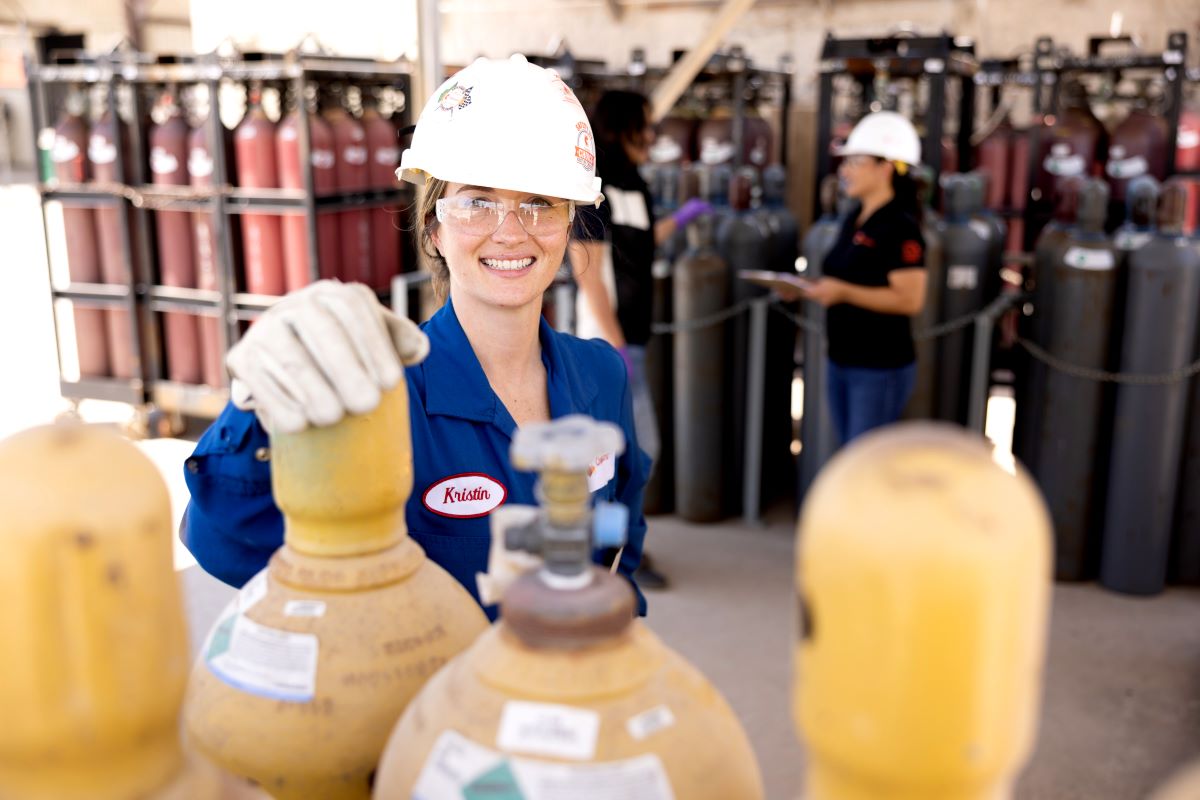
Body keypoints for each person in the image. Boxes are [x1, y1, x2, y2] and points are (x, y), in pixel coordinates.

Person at [181, 55, 649, 619]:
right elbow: (222, 541)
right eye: (478, 202)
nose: (510, 232)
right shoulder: (379, 396)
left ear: (569, 222)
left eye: (539, 203)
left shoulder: (601, 376)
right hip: (427, 703)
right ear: (434, 226)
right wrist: (254, 411)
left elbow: (620, 550)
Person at [569, 90, 708, 590]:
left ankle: (614, 547)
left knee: (627, 457)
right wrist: (615, 345)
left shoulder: (635, 184)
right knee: (626, 454)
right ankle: (608, 550)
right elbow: (589, 273)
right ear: (624, 126)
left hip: (632, 342)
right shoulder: (595, 187)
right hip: (607, 345)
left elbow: (643, 238)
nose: (652, 136)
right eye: (646, 125)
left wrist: (684, 219)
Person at [793, 111, 928, 444]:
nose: (844, 170)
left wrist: (843, 293)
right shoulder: (854, 216)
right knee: (851, 456)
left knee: (864, 465)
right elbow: (843, 274)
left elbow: (910, 299)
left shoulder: (900, 225)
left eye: (855, 162)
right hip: (843, 359)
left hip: (877, 369)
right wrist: (805, 288)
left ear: (885, 168)